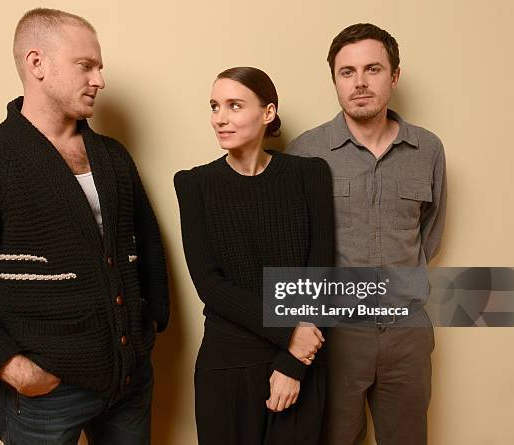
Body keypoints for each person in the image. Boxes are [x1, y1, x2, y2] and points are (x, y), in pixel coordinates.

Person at [0, 8, 168, 445]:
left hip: (129, 383)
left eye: (100, 67)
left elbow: (145, 244)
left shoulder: (112, 157)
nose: (99, 80)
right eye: (85, 65)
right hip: (46, 398)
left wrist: (149, 332)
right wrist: (13, 369)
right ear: (37, 64)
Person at [287, 23, 447, 445]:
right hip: (335, 334)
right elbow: (293, 246)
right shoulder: (307, 151)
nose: (359, 83)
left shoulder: (428, 149)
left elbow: (428, 234)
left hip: (407, 334)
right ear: (335, 81)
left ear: (394, 76)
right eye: (346, 72)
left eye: (372, 69)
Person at [174, 67, 334, 444]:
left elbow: (319, 268)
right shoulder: (194, 184)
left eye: (234, 105)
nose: (220, 118)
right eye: (214, 106)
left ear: (267, 113)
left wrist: (293, 362)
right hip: (228, 366)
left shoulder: (309, 174)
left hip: (301, 363)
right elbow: (210, 284)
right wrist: (289, 333)